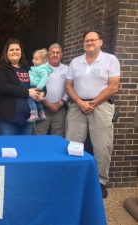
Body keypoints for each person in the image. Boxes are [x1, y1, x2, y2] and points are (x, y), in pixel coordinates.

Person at [65, 31, 120, 198]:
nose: (89, 42)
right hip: (77, 106)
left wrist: (93, 103)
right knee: (72, 143)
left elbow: (113, 87)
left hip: (101, 106)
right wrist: (81, 102)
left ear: (100, 42)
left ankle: (101, 182)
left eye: (93, 40)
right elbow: (68, 86)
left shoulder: (110, 60)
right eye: (86, 40)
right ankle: (71, 178)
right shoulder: (75, 62)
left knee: (102, 145)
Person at [0, 38, 40, 135]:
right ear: (6, 53)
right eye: (11, 49)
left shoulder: (28, 68)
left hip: (28, 119)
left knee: (25, 148)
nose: (15, 52)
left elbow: (39, 82)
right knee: (8, 148)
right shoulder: (1, 69)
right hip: (8, 121)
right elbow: (2, 87)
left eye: (17, 49)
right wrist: (27, 92)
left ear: (21, 52)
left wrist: (42, 92)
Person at [33, 43, 68, 137]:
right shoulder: (40, 68)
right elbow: (35, 87)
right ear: (48, 55)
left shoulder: (67, 69)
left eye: (58, 52)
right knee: (39, 137)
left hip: (59, 110)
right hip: (42, 108)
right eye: (53, 53)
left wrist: (60, 103)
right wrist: (46, 103)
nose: (55, 55)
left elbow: (69, 89)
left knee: (58, 138)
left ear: (61, 55)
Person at [27, 48, 53, 122]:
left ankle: (34, 113)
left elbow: (44, 78)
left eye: (36, 59)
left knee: (30, 99)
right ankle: (41, 114)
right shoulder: (37, 67)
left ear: (43, 61)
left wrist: (39, 88)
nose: (33, 60)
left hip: (36, 86)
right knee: (37, 101)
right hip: (36, 86)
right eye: (33, 58)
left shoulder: (42, 68)